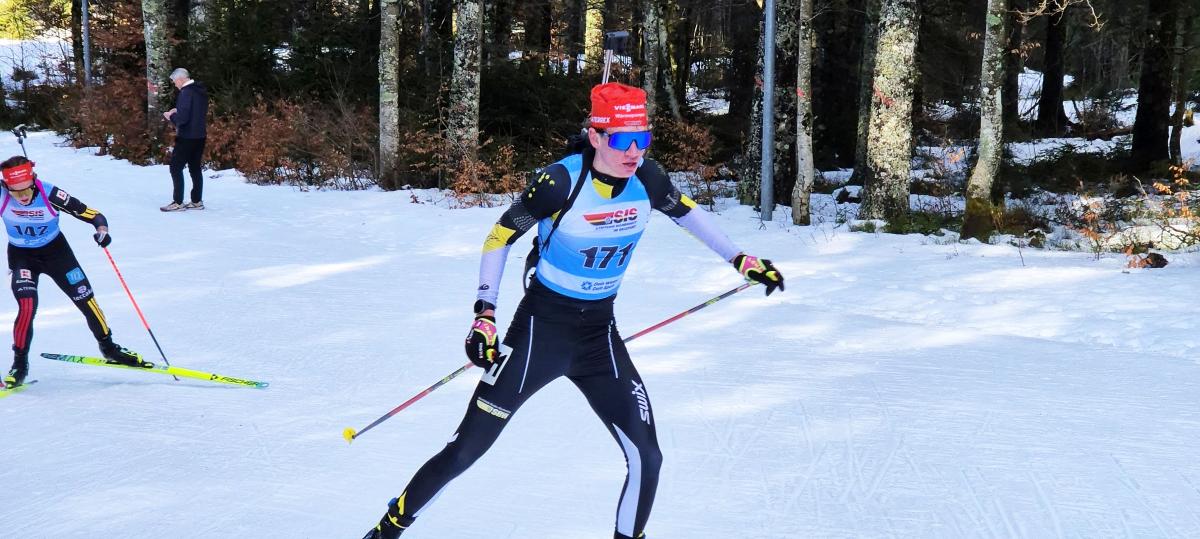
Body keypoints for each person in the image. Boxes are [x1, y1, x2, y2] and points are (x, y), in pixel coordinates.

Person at [363, 82, 784, 539]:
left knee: (648, 455)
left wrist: (741, 259)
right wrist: (484, 315)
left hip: (599, 336)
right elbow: (499, 238)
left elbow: (688, 213)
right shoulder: (560, 182)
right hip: (539, 331)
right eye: (624, 140)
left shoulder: (648, 179)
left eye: (643, 139)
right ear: (598, 136)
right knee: (467, 449)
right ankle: (388, 528)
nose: (634, 152)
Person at [1, 157, 149, 388]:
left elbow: (90, 213)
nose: (22, 197)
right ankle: (20, 364)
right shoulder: (2, 197)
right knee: (27, 305)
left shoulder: (49, 193)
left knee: (85, 300)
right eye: (14, 191)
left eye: (26, 189)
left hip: (57, 253)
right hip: (22, 257)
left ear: (34, 181)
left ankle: (109, 348)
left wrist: (102, 230)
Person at [160, 67, 208, 212]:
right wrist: (178, 110)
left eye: (174, 82)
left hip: (187, 136)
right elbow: (195, 112)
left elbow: (183, 119)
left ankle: (178, 202)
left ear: (180, 79)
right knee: (194, 168)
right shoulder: (200, 90)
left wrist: (171, 116)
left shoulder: (186, 93)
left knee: (175, 167)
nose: (175, 84)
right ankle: (197, 201)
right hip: (200, 135)